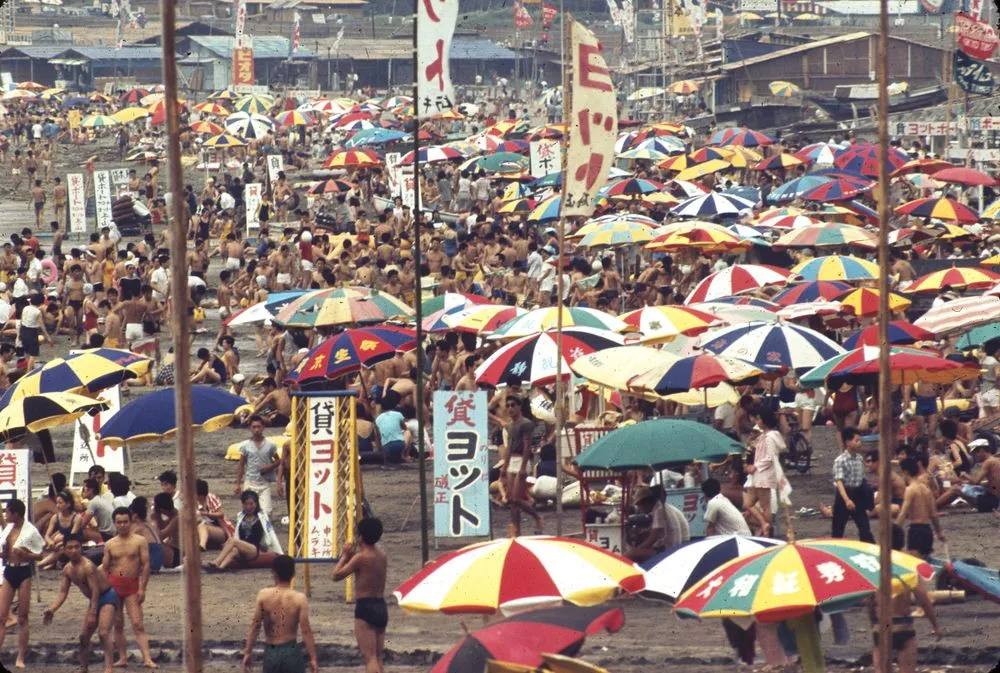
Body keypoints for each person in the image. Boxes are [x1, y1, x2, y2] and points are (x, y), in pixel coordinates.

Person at [868, 525, 941, 673]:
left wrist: (872, 622)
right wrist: (935, 625)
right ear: (902, 542)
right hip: (903, 625)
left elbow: (870, 600)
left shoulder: (873, 565)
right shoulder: (908, 564)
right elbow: (923, 599)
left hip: (881, 625)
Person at [43, 534, 118, 673]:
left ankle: (108, 668)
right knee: (83, 636)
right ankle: (84, 667)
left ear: (81, 548)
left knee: (103, 632)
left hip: (107, 596)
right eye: (70, 548)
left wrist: (93, 613)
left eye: (77, 547)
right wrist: (52, 609)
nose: (73, 551)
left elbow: (95, 590)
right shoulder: (67, 569)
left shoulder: (87, 566)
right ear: (64, 550)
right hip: (94, 600)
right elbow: (63, 593)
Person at [242, 555, 318, 673]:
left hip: (271, 651)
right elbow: (306, 630)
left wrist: (248, 652)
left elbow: (255, 626)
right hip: (291, 650)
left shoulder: (263, 595)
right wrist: (313, 658)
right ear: (293, 574)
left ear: (274, 573)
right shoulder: (299, 598)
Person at [102, 507, 156, 669]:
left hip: (132, 585)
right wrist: (104, 590)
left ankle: (147, 658)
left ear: (130, 522)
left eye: (125, 522)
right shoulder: (110, 544)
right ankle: (123, 657)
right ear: (115, 524)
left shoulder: (139, 541)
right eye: (119, 522)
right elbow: (105, 568)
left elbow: (145, 565)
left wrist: (142, 588)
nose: (123, 525)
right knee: (118, 623)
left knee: (138, 623)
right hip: (114, 585)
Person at [333, 518, 388, 673]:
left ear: (361, 537)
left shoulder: (361, 557)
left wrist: (345, 555)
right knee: (378, 657)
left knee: (369, 658)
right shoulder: (382, 555)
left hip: (366, 606)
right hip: (380, 605)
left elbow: (336, 575)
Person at [0, 499, 45, 669]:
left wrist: (26, 555)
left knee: (23, 618)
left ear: (15, 514)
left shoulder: (30, 531)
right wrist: (4, 553)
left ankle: (20, 656)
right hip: (10, 570)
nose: (6, 515)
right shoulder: (8, 530)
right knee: (2, 616)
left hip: (24, 571)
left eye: (8, 512)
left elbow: (40, 554)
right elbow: (6, 554)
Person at [208, 490, 282, 571]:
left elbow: (271, 534)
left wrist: (280, 554)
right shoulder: (240, 516)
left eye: (251, 504)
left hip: (255, 549)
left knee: (232, 541)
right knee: (234, 550)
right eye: (246, 504)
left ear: (256, 504)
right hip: (242, 548)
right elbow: (237, 535)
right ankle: (220, 568)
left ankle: (216, 562)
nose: (248, 507)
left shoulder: (262, 517)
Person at [501, 395, 543, 536]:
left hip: (521, 461)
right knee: (511, 501)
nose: (510, 408)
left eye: (513, 405)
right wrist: (504, 466)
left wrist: (523, 468)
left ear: (519, 407)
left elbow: (527, 447)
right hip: (511, 461)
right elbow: (508, 448)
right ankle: (516, 531)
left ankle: (537, 517)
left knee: (516, 499)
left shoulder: (525, 424)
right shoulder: (510, 425)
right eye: (508, 406)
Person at [895, 458, 945, 559]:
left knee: (914, 565)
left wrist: (895, 530)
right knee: (924, 564)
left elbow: (903, 512)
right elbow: (934, 514)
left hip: (916, 530)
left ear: (905, 472)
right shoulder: (926, 489)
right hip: (927, 530)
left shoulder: (910, 489)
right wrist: (939, 531)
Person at [832, 427, 875, 543]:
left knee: (864, 528)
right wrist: (846, 500)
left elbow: (862, 478)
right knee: (838, 529)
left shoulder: (859, 459)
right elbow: (839, 482)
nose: (859, 443)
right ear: (847, 442)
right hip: (844, 495)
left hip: (858, 495)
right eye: (856, 440)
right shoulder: (840, 460)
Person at [235, 415, 282, 519]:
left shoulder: (270, 445)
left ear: (263, 427)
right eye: (254, 427)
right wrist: (237, 483)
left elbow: (279, 461)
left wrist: (270, 467)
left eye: (259, 427)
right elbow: (241, 465)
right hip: (250, 482)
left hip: (264, 484)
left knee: (266, 513)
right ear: (250, 428)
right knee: (248, 511)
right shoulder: (245, 446)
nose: (256, 429)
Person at [746, 407, 783, 536]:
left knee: (765, 505)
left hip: (764, 474)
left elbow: (770, 456)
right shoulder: (764, 436)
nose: (757, 421)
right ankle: (763, 523)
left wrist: (755, 466)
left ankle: (766, 528)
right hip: (759, 475)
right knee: (748, 503)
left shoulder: (770, 437)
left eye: (759, 419)